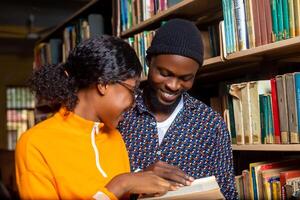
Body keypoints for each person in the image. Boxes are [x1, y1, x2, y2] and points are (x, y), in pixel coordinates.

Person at [15, 35, 176, 200]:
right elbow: (114, 189)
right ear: (103, 84)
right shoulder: (35, 144)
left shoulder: (114, 136)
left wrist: (140, 180)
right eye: (132, 90)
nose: (133, 102)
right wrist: (121, 184)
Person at [118, 18, 237, 199]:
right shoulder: (120, 112)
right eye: (164, 74)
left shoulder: (211, 125)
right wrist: (137, 178)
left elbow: (227, 193)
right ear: (149, 61)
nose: (173, 85)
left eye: (186, 78)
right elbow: (98, 184)